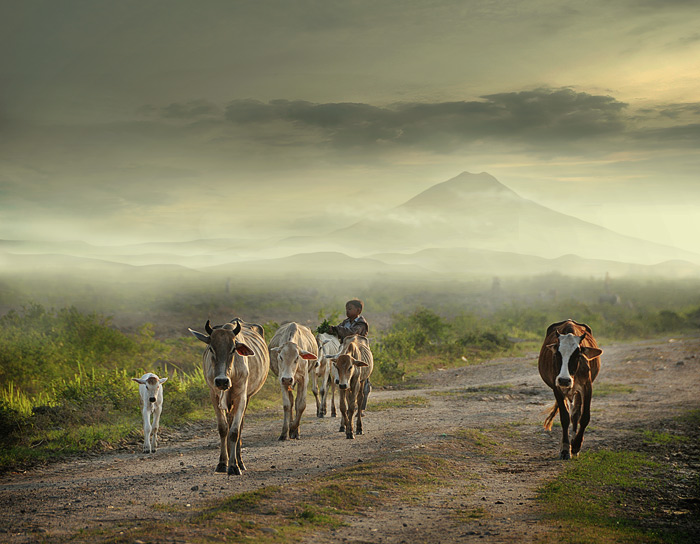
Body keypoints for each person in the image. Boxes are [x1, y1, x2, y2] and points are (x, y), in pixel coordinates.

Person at [328, 299, 371, 413]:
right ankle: (349, 406)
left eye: (350, 309)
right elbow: (340, 331)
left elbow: (352, 333)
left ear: (358, 310)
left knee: (363, 382)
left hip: (359, 352)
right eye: (346, 309)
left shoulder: (362, 324)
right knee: (344, 377)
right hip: (346, 353)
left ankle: (361, 408)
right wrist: (332, 330)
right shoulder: (345, 322)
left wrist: (337, 329)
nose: (347, 311)